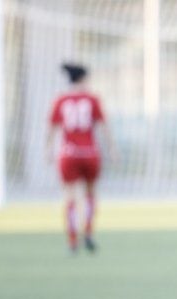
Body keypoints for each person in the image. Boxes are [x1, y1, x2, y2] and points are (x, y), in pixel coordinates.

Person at [46, 62, 116, 254]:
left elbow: (52, 129)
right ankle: (89, 232)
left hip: (68, 154)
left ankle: (72, 239)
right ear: (83, 78)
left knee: (70, 196)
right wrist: (111, 149)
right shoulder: (92, 99)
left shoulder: (60, 100)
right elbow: (103, 126)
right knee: (90, 194)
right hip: (90, 153)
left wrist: (48, 150)